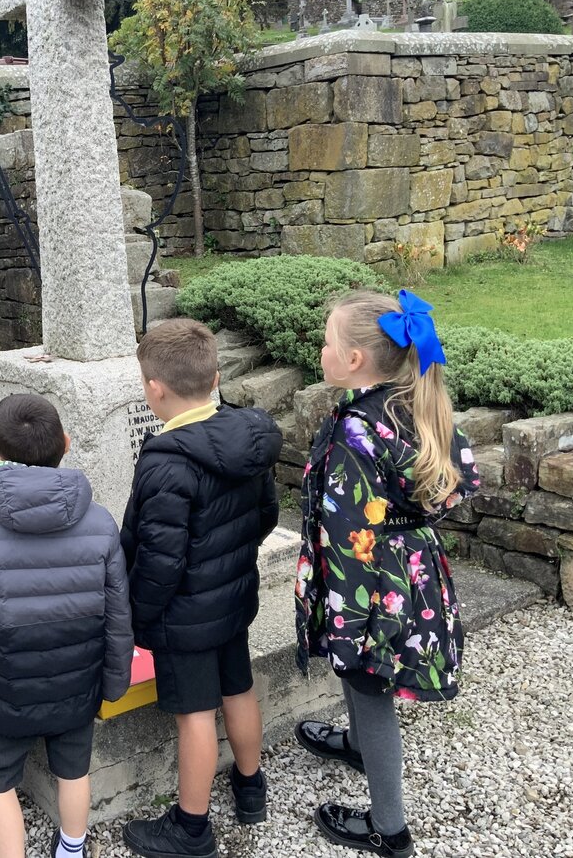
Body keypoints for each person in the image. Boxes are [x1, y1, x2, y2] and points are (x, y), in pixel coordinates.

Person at [292, 289, 481, 858]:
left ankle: (389, 828)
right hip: (412, 570)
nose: (321, 350)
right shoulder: (414, 403)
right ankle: (357, 745)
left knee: (368, 681)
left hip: (369, 583)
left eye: (327, 342)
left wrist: (346, 620)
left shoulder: (355, 429)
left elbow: (346, 529)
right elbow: (458, 485)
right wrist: (406, 525)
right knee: (360, 676)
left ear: (353, 360)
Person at [0, 394, 133, 858]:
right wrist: (114, 682)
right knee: (74, 771)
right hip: (77, 680)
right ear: (65, 443)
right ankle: (72, 847)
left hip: (4, 688)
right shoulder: (101, 523)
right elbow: (118, 616)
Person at [119, 319, 283, 858]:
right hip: (232, 598)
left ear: (154, 389)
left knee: (194, 713)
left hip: (183, 615)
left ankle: (191, 827)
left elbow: (159, 561)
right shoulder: (247, 438)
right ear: (215, 378)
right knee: (238, 688)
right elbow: (265, 515)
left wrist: (138, 615)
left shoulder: (167, 462)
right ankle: (250, 786)